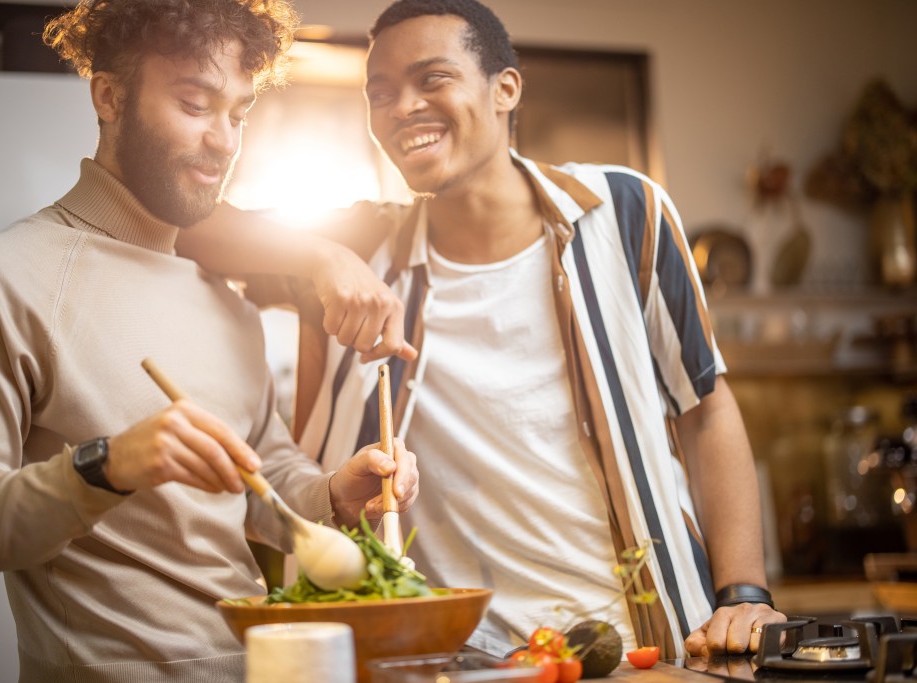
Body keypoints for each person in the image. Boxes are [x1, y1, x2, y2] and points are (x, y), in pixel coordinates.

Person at [177, 0, 787, 661]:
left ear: (506, 88)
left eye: (431, 79)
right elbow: (186, 225)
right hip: (457, 660)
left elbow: (706, 410)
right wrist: (318, 256)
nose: (401, 107)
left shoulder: (625, 211)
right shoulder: (364, 243)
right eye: (380, 93)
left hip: (646, 648)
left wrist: (744, 590)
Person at [0, 1, 418, 681]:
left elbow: (263, 481)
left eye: (237, 114)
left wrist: (333, 492)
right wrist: (106, 465)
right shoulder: (1, 278)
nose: (225, 141)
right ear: (110, 96)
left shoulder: (225, 302)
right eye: (195, 103)